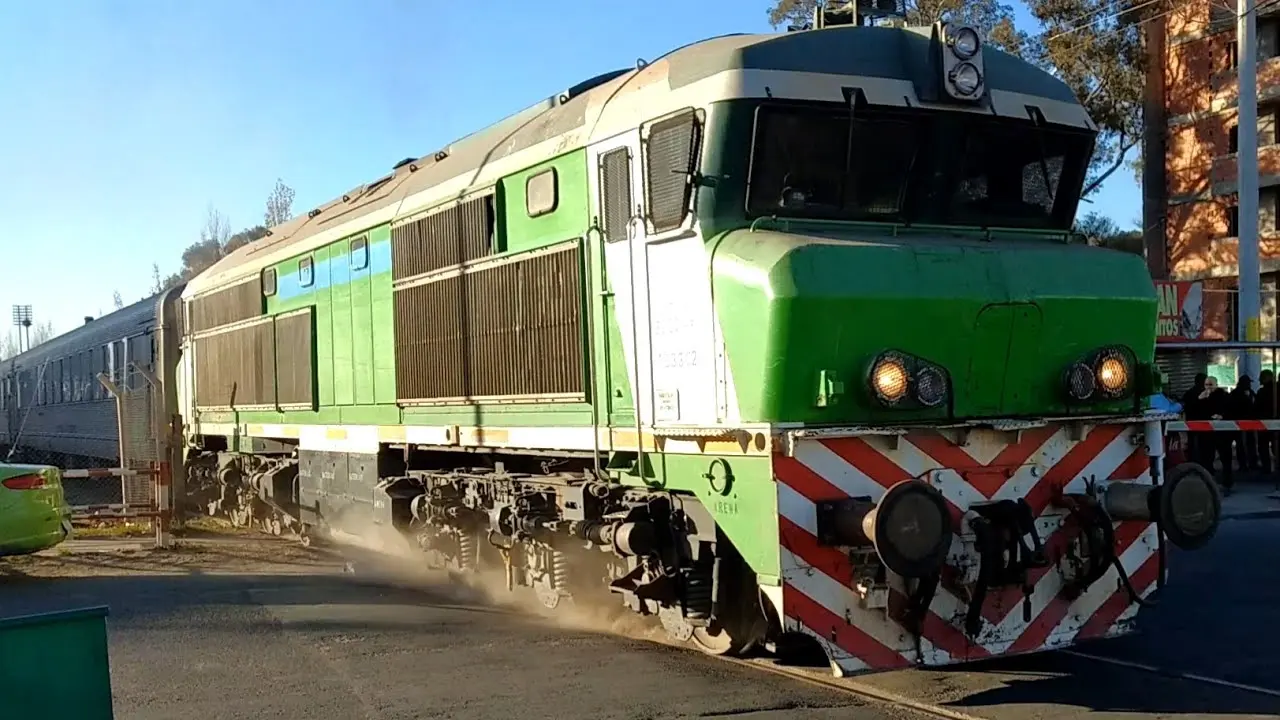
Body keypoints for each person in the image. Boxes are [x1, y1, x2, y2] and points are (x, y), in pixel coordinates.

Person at [1228, 374, 1258, 471]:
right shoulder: (1237, 394)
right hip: (1240, 423)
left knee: (1249, 443)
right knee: (1242, 444)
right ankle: (1244, 464)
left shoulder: (1249, 393)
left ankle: (1250, 463)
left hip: (1249, 423)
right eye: (1248, 383)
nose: (1249, 384)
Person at [1257, 370, 1278, 473]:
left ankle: (1266, 468)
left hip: (1264, 424)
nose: (1259, 379)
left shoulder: (1262, 392)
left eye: (1261, 377)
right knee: (1276, 446)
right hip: (1276, 423)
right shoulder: (1276, 390)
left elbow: (1256, 409)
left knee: (1263, 447)